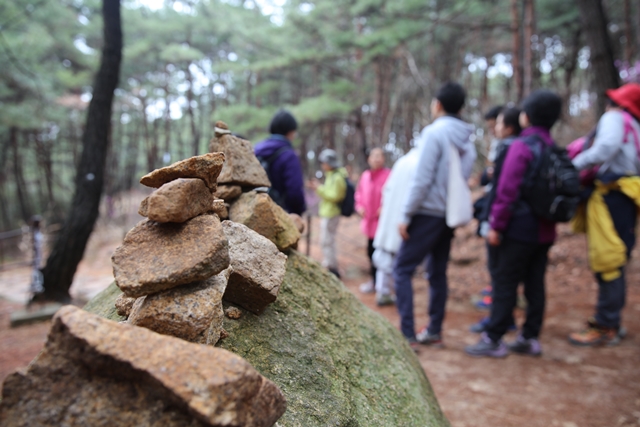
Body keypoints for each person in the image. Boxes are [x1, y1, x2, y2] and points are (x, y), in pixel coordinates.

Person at [465, 90, 562, 358]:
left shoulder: (521, 147)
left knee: (504, 281)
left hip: (518, 230)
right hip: (545, 230)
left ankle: (494, 338)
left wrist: (496, 224)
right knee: (535, 284)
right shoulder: (552, 147)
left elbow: (507, 191)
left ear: (526, 117)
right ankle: (530, 337)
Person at [393, 82, 476, 350]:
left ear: (437, 104)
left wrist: (406, 214)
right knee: (437, 271)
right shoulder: (466, 138)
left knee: (402, 268)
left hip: (427, 212)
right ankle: (434, 330)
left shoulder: (434, 133)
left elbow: (422, 178)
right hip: (448, 215)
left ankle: (407, 334)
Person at [568, 83, 640, 346]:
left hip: (611, 195)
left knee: (608, 259)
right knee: (617, 257)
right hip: (627, 196)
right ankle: (611, 321)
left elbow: (605, 148)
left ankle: (605, 324)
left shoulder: (614, 118)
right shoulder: (634, 126)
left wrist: (571, 167)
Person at [469, 107, 522, 332]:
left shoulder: (511, 149)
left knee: (501, 272)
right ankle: (503, 317)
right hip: (504, 220)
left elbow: (504, 190)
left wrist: (494, 224)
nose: (494, 129)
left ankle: (499, 323)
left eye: (497, 124)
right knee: (501, 272)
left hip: (502, 221)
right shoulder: (512, 147)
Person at [371, 141, 424, 306]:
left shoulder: (402, 162)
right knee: (397, 261)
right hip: (403, 218)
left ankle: (384, 291)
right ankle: (394, 295)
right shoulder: (419, 162)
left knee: (386, 255)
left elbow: (387, 189)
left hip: (391, 215)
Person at [254, 110, 307, 215]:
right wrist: (298, 213)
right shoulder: (289, 155)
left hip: (254, 210)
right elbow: (294, 191)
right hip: (280, 213)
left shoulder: (256, 150)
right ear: (290, 131)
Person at [356, 148, 391, 296]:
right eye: (374, 156)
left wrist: (385, 207)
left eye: (379, 156)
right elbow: (359, 194)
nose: (376, 159)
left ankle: (385, 285)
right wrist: (360, 207)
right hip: (369, 223)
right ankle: (374, 281)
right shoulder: (365, 176)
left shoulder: (389, 175)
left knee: (383, 254)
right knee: (371, 252)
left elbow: (393, 194)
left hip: (383, 224)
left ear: (383, 159)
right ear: (369, 159)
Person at [309, 149, 347, 278]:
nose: (322, 165)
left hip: (332, 213)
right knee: (326, 240)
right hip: (327, 212)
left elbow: (336, 196)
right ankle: (329, 264)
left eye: (324, 162)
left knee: (327, 240)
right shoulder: (331, 175)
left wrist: (319, 189)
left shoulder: (337, 177)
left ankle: (332, 267)